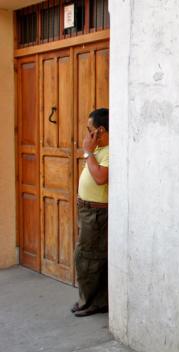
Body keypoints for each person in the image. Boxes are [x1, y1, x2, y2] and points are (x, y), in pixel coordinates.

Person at [71, 108, 110, 317]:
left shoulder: (109, 151)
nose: (87, 134)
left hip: (96, 214)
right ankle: (89, 300)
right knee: (86, 256)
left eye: (90, 129)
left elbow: (100, 178)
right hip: (87, 210)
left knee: (89, 258)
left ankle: (93, 303)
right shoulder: (99, 149)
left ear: (100, 130)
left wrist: (87, 151)